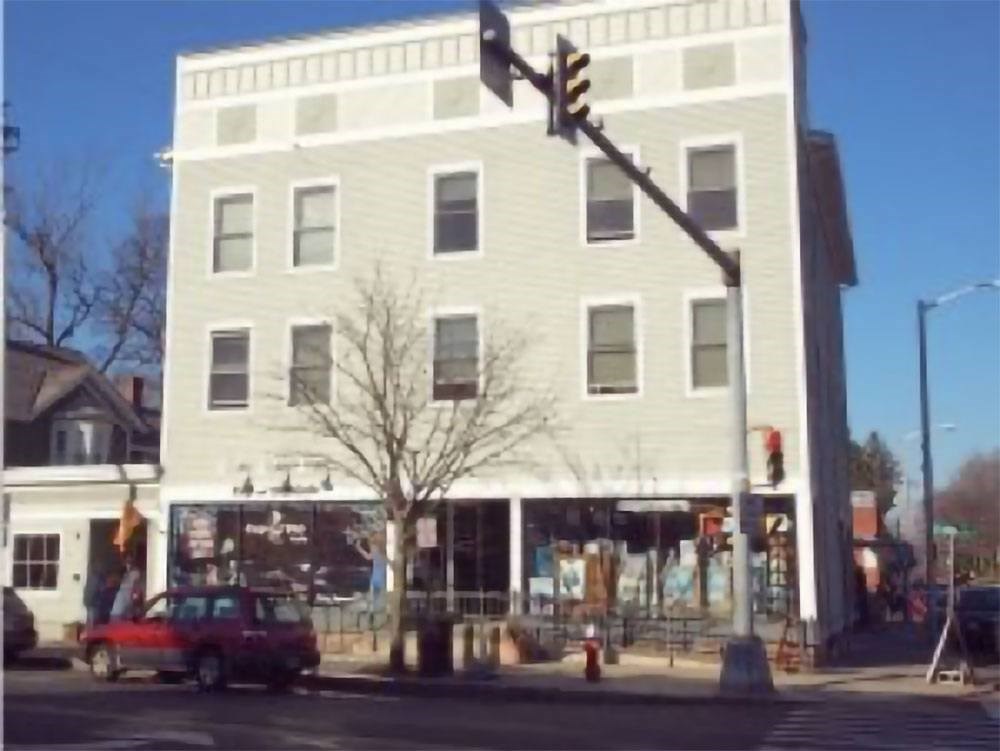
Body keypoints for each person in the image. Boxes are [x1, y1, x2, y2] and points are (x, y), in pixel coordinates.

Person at [110, 557, 143, 622]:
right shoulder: (122, 572)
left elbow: (136, 587)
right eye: (127, 561)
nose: (128, 564)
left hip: (129, 596)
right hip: (123, 595)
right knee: (118, 614)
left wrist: (135, 598)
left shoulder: (135, 572)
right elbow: (114, 581)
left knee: (127, 615)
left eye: (130, 562)